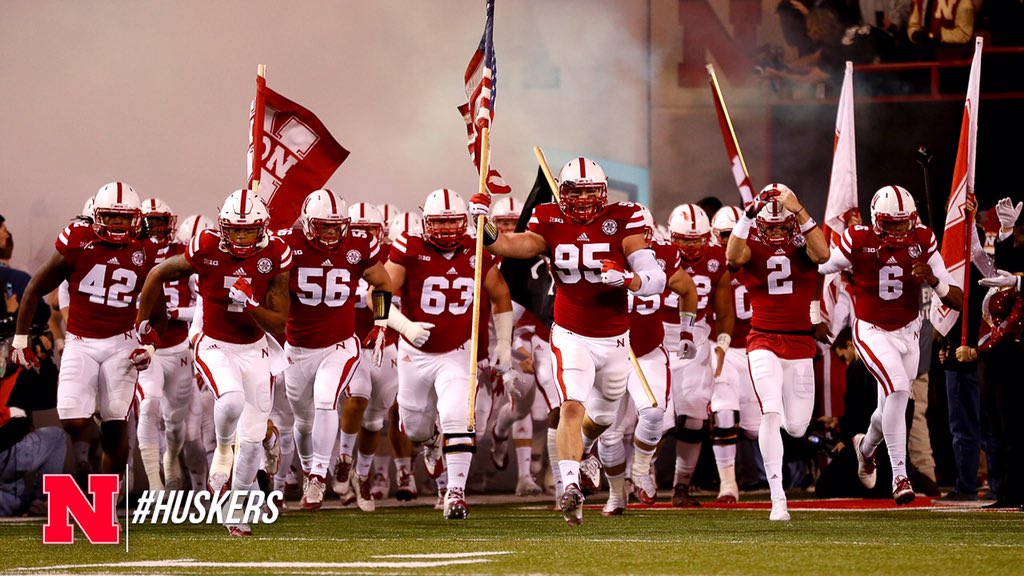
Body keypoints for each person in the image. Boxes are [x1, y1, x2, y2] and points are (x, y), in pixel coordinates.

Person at [471, 157, 667, 526]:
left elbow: (654, 276)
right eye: (575, 192)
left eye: (590, 192)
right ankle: (571, 486)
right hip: (570, 332)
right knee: (571, 407)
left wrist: (628, 280)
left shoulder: (625, 217)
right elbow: (510, 246)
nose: (582, 200)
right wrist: (483, 227)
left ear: (604, 191)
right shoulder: (548, 218)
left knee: (602, 418)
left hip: (614, 338)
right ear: (562, 193)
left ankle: (586, 449)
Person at [136, 189, 292, 536]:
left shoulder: (276, 253)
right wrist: (143, 327)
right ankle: (222, 453)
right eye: (233, 229)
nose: (239, 237)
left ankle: (237, 508)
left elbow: (280, 322)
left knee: (251, 439)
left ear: (261, 228)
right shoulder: (205, 246)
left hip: (255, 348)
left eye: (247, 230)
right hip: (214, 343)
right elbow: (156, 275)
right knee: (231, 399)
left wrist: (251, 304)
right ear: (223, 227)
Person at [816, 185, 963, 505]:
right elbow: (821, 265)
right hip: (871, 329)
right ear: (876, 221)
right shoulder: (858, 239)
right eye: (891, 223)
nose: (898, 230)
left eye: (903, 223)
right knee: (897, 389)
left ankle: (865, 448)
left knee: (888, 409)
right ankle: (899, 475)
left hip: (909, 333)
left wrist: (934, 281)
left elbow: (958, 299)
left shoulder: (923, 239)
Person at [11, 183, 156, 487]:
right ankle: (97, 437)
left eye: (124, 217)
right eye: (110, 216)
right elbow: (35, 287)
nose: (117, 224)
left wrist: (151, 345)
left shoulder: (145, 248)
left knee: (117, 424)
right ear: (94, 217)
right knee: (73, 419)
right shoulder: (78, 241)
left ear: (137, 218)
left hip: (122, 342)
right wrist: (20, 339)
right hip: (81, 340)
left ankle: (107, 504)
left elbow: (160, 309)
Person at [383, 188, 513, 520]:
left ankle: (456, 491)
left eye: (452, 222)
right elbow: (378, 296)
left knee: (458, 417)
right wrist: (405, 326)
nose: (444, 230)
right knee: (413, 427)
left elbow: (500, 296)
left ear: (464, 223)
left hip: (459, 351)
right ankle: (430, 444)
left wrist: (503, 346)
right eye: (438, 223)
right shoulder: (408, 248)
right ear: (425, 223)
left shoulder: (477, 250)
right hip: (416, 353)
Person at [280, 192, 393, 512]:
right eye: (323, 227)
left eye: (335, 227)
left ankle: (317, 475)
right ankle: (308, 469)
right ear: (308, 224)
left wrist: (382, 322)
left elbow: (383, 283)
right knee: (302, 419)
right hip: (298, 346)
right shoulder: (287, 243)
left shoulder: (358, 245)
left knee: (327, 398)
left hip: (340, 344)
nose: (331, 234)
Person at [726, 183, 831, 521]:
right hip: (763, 340)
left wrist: (800, 210)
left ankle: (782, 453)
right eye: (766, 226)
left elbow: (824, 255)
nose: (772, 232)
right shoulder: (750, 241)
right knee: (770, 411)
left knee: (798, 427)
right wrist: (746, 217)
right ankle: (777, 498)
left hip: (800, 342)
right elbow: (732, 257)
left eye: (778, 225)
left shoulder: (803, 240)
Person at [599, 204, 697, 515]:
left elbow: (687, 289)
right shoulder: (600, 252)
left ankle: (640, 469)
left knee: (654, 412)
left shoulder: (663, 254)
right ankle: (616, 493)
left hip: (648, 349)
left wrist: (686, 332)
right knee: (609, 433)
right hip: (610, 352)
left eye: (643, 232)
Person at [663, 204, 736, 507]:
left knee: (694, 415)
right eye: (683, 239)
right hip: (657, 338)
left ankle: (681, 485)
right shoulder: (656, 253)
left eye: (697, 240)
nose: (691, 246)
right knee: (653, 418)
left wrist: (722, 343)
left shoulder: (718, 259)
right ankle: (634, 478)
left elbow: (724, 307)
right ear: (671, 236)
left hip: (696, 339)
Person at [134, 198, 197, 493]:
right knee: (149, 405)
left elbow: (204, 306)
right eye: (151, 222)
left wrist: (173, 314)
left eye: (161, 222)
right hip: (148, 347)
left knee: (175, 421)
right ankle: (155, 482)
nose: (157, 229)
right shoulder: (134, 254)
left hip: (179, 347)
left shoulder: (184, 255)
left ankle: (171, 456)